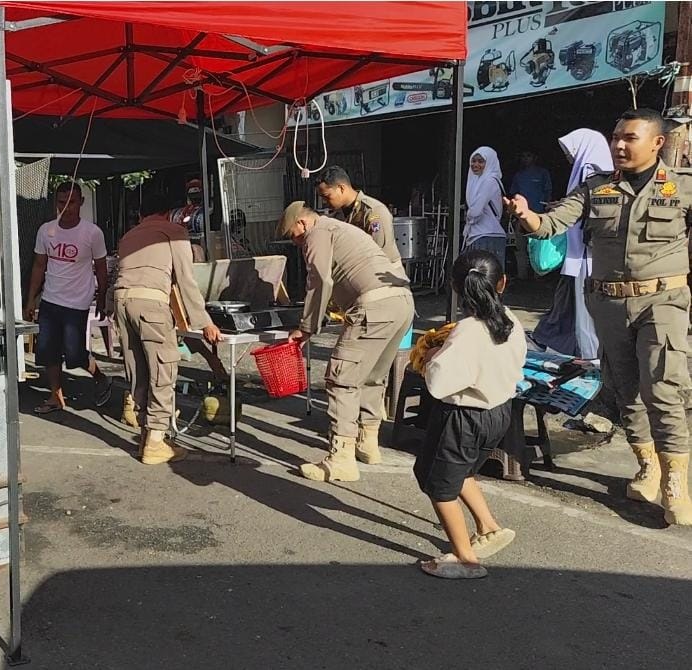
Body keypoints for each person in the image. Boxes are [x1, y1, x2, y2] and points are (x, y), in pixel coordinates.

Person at [509, 108, 692, 526]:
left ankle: (675, 482)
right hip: (608, 304)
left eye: (629, 138)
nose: (619, 145)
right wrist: (527, 216)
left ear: (657, 143)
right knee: (625, 389)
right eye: (615, 137)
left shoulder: (682, 187)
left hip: (662, 302)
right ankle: (647, 465)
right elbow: (552, 223)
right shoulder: (596, 187)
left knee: (662, 388)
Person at [280, 201, 413, 481]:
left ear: (302, 223)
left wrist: (306, 328)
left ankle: (340, 459)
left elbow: (320, 280)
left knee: (342, 378)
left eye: (293, 236)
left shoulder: (317, 233)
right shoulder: (341, 229)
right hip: (402, 302)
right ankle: (367, 443)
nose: (295, 242)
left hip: (374, 307)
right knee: (373, 375)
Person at [413, 249, 525, 579]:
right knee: (457, 471)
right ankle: (488, 526)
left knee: (439, 486)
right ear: (502, 283)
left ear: (455, 287)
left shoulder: (466, 331)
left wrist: (432, 355)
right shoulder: (511, 320)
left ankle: (466, 560)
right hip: (498, 412)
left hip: (463, 416)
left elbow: (439, 382)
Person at [113, 193, 222, 464]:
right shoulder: (173, 232)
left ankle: (145, 432)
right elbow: (186, 281)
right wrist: (205, 322)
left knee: (138, 370)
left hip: (121, 303)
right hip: (151, 304)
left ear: (141, 215)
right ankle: (156, 441)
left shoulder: (128, 236)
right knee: (163, 370)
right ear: (167, 213)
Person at [24, 181, 112, 413]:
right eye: (62, 202)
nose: (67, 208)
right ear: (56, 203)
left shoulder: (92, 233)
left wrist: (102, 298)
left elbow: (101, 268)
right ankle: (56, 396)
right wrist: (31, 299)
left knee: (75, 353)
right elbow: (39, 265)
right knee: (48, 350)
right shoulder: (46, 230)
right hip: (50, 299)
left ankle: (101, 377)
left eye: (71, 202)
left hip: (78, 302)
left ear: (81, 202)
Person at [529, 129, 611, 360]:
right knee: (580, 309)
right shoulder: (597, 171)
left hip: (586, 254)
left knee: (587, 312)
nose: (568, 156)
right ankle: (587, 353)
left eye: (570, 151)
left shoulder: (590, 171)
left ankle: (592, 357)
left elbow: (591, 209)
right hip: (586, 253)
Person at [314, 165, 403, 269]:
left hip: (383, 273)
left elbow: (380, 252)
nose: (324, 202)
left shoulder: (373, 211)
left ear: (341, 188)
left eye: (327, 196)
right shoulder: (337, 215)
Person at [508, 151, 553, 280]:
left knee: (538, 247)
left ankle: (538, 275)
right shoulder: (518, 176)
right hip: (521, 217)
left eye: (528, 156)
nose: (525, 158)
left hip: (539, 216)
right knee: (520, 247)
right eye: (523, 156)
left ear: (535, 157)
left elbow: (548, 192)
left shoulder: (542, 173)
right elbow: (514, 195)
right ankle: (521, 276)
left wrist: (546, 211)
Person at [464, 146, 508, 267]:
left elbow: (475, 211)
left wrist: (469, 217)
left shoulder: (489, 181)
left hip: (485, 236)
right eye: (473, 161)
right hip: (485, 235)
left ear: (489, 162)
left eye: (481, 161)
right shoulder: (479, 181)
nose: (476, 165)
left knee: (482, 275)